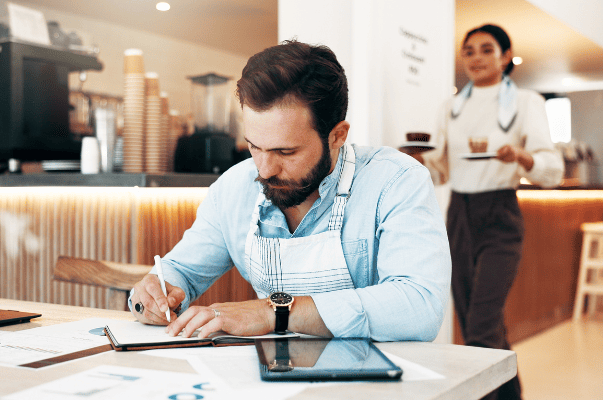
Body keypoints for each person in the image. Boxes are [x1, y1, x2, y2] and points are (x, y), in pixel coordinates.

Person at [129, 40, 451, 342]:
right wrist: (153, 294)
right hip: (272, 375)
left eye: (286, 152)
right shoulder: (233, 188)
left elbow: (421, 305)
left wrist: (276, 311)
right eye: (255, 147)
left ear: (337, 136)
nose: (265, 170)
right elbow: (181, 271)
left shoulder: (396, 181)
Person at [408, 24, 564, 400]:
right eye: (469, 51)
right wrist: (413, 161)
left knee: (480, 327)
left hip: (500, 214)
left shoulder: (526, 102)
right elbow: (441, 169)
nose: (476, 58)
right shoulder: (451, 107)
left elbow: (552, 168)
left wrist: (520, 156)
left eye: (486, 49)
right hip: (459, 214)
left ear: (505, 56)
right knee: (480, 324)